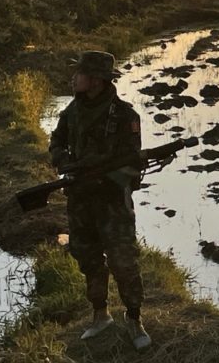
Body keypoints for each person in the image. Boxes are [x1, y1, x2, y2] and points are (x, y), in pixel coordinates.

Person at [48, 50, 151, 352]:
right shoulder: (72, 111)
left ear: (95, 80)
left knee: (123, 261)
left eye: (78, 74)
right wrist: (64, 161)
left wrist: (104, 177)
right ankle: (100, 315)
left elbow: (132, 162)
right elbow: (56, 141)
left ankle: (134, 319)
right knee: (87, 256)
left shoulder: (124, 115)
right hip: (80, 200)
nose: (73, 78)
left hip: (112, 202)